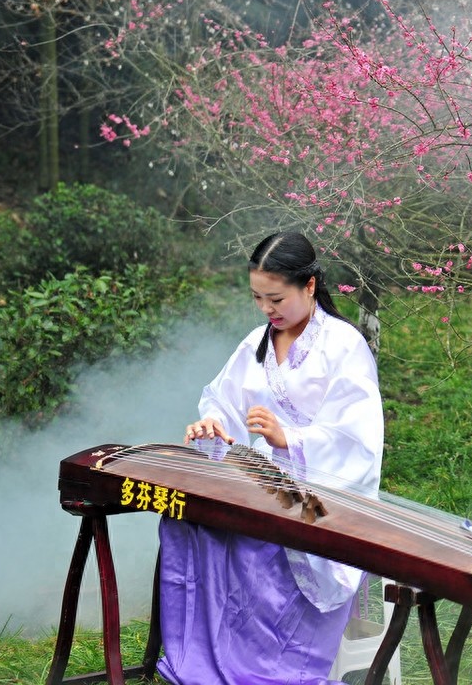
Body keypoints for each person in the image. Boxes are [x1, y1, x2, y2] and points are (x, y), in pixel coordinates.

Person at [156, 231, 384, 685]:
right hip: (260, 484)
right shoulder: (256, 343)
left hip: (317, 498)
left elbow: (358, 439)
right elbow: (222, 402)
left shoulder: (344, 346)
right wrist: (212, 426)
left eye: (276, 298)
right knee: (190, 522)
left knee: (258, 543)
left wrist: (289, 439)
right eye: (258, 298)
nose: (266, 309)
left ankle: (270, 669)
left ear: (310, 286)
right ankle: (202, 657)